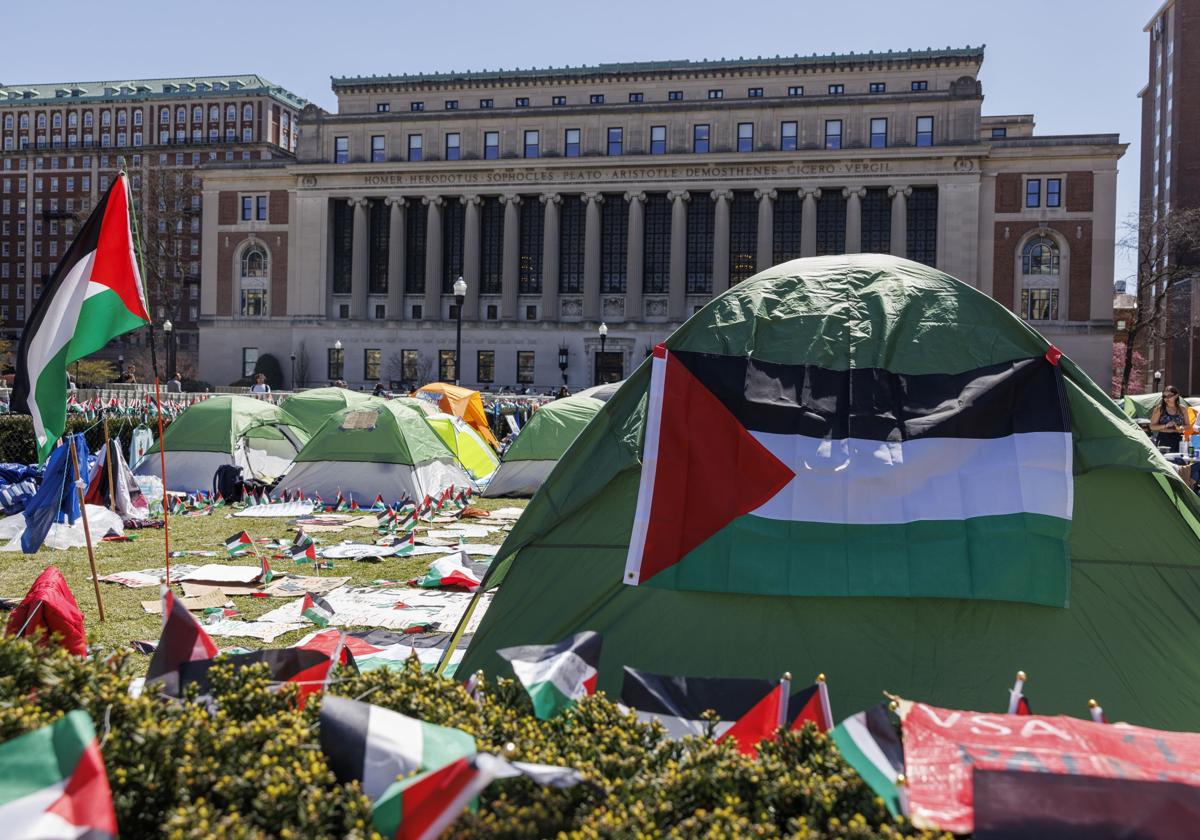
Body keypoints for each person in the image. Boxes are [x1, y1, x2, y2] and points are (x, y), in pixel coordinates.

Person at [1150, 385, 1189, 453]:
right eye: (1164, 396)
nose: (1166, 398)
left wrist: (1180, 427)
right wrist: (1166, 425)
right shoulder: (1160, 409)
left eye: (1169, 396)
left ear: (1176, 396)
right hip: (1163, 438)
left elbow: (1188, 425)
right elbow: (1152, 427)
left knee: (1178, 461)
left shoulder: (1182, 409)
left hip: (1178, 438)